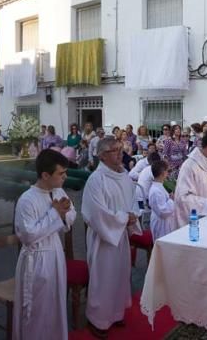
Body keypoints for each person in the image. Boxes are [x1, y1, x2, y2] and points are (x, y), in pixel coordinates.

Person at [81, 136, 141, 337]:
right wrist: (124, 218)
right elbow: (96, 213)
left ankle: (115, 313)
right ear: (102, 156)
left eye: (120, 149)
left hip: (120, 235)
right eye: (114, 150)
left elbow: (132, 200)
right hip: (103, 238)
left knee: (120, 275)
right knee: (103, 278)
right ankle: (98, 320)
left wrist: (132, 216)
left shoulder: (123, 175)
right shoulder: (96, 180)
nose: (120, 153)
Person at [12, 150, 76, 339]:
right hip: (36, 259)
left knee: (55, 304)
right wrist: (55, 214)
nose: (65, 176)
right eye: (61, 173)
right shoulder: (27, 200)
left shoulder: (58, 191)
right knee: (37, 310)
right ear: (45, 175)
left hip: (55, 253)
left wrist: (63, 214)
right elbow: (29, 235)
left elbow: (72, 214)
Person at [147, 160, 177, 240]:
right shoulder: (155, 190)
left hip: (165, 223)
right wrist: (171, 200)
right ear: (163, 172)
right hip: (161, 225)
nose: (168, 173)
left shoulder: (159, 186)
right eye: (167, 171)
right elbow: (162, 212)